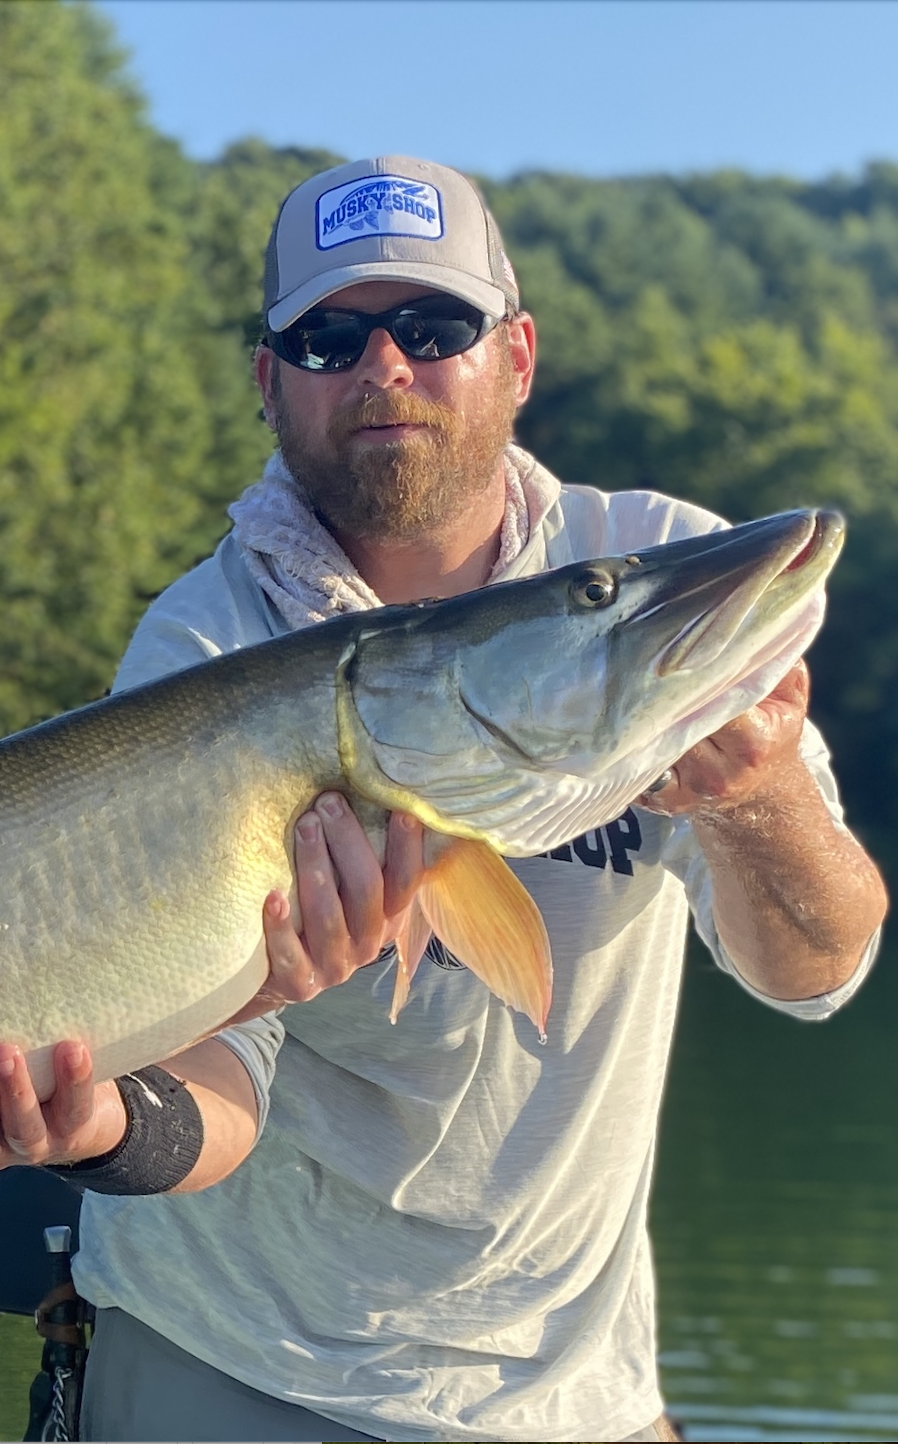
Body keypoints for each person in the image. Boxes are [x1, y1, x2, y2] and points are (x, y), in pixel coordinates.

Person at [52, 157, 885, 1441]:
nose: (384, 365)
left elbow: (819, 967)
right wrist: (101, 1118)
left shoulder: (648, 550)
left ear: (518, 355)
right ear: (270, 381)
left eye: (433, 327)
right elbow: (219, 1059)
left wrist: (760, 797)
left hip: (573, 1387)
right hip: (234, 1349)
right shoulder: (205, 644)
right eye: (330, 336)